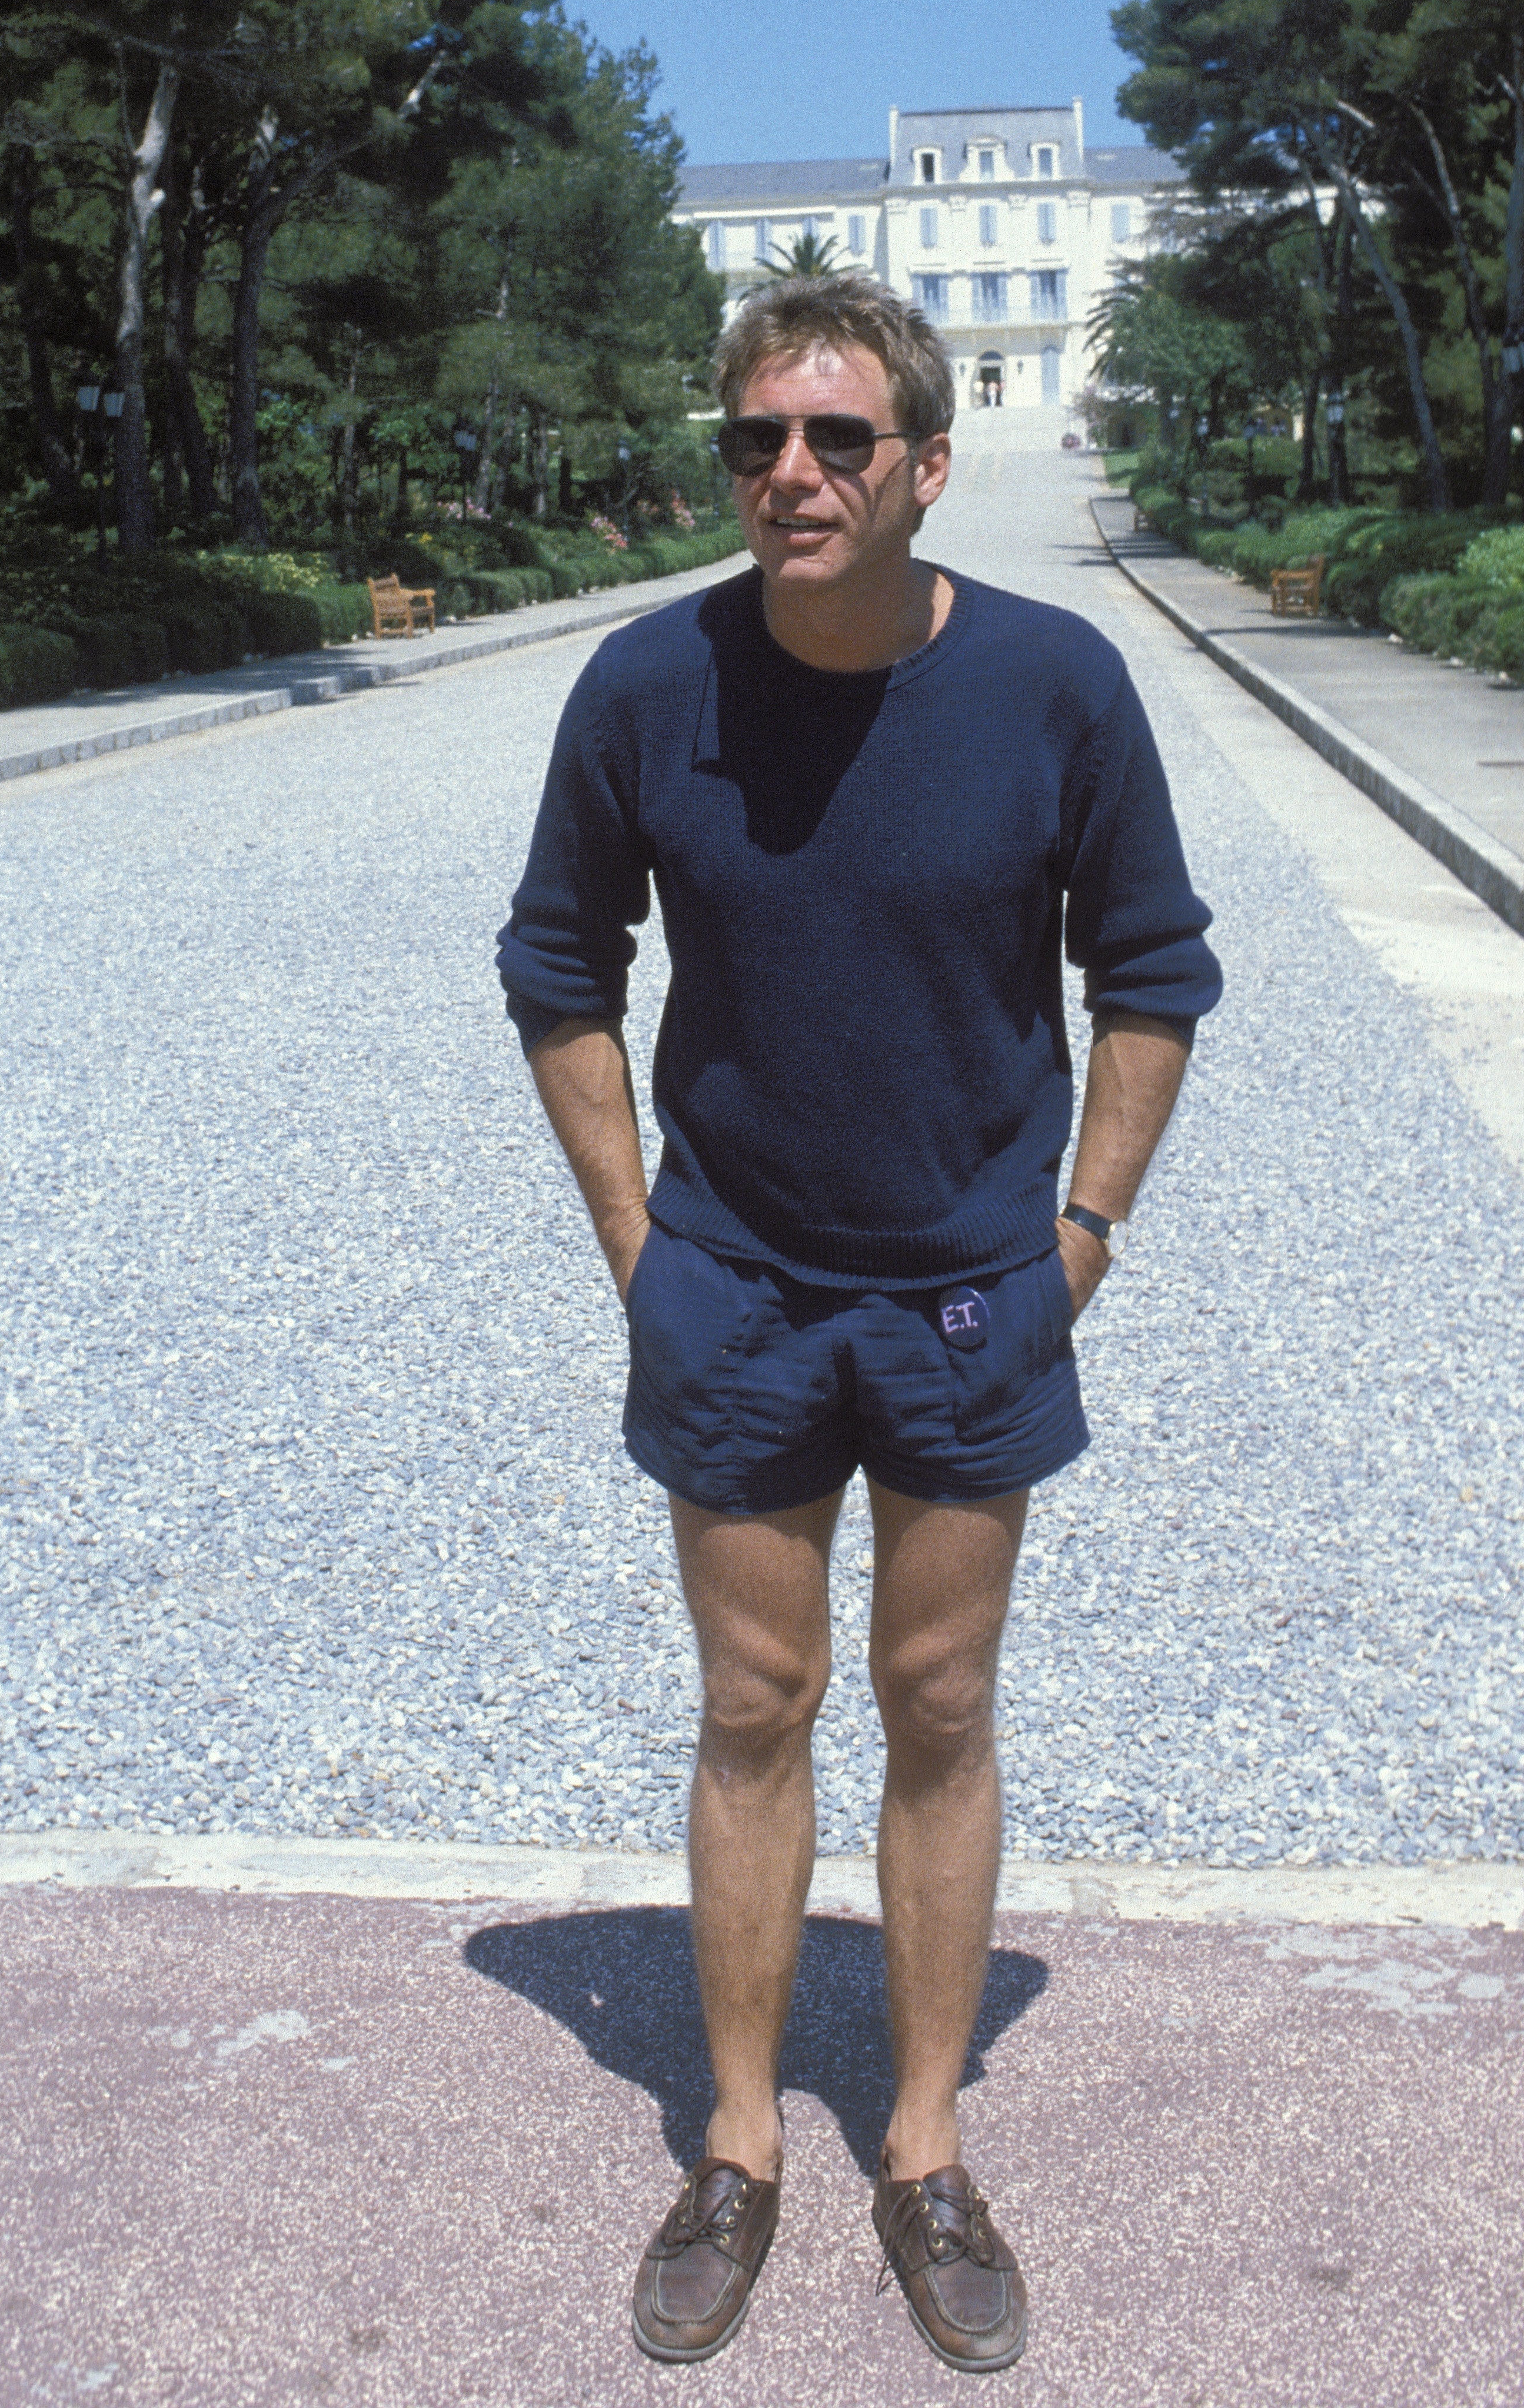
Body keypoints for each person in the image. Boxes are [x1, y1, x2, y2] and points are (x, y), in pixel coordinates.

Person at [495, 275, 1220, 2372]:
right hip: (729, 1279)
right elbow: (558, 966)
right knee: (750, 1694)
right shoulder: (647, 684)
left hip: (977, 1286)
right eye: (753, 441)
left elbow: (1151, 976)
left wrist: (1080, 1232)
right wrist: (641, 1240)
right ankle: (735, 2141)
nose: (787, 475)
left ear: (921, 460)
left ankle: (918, 2141)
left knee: (938, 1693)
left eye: (830, 440)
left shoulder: (1055, 683)